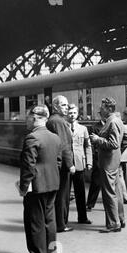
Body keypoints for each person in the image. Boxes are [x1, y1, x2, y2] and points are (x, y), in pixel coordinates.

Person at [18, 105, 62, 253]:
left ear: (35, 118)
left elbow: (28, 166)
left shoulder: (32, 138)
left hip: (36, 186)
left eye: (27, 117)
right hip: (53, 184)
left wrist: (23, 187)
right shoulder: (55, 137)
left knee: (34, 220)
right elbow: (58, 161)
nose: (26, 121)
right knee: (50, 220)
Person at [89, 98, 125, 232]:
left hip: (108, 162)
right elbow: (124, 139)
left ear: (109, 109)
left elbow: (114, 144)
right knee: (116, 192)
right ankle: (120, 219)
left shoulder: (112, 121)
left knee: (109, 194)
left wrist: (98, 139)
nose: (100, 110)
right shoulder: (117, 120)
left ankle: (113, 224)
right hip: (114, 161)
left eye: (102, 108)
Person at [46, 95, 75, 233]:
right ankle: (61, 224)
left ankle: (59, 222)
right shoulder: (59, 121)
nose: (67, 107)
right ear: (55, 106)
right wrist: (70, 164)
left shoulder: (53, 120)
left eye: (67, 105)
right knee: (62, 195)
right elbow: (64, 145)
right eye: (63, 105)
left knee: (59, 194)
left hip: (55, 163)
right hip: (62, 164)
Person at [67, 104, 92, 224]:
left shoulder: (83, 129)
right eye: (70, 112)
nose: (72, 115)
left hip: (79, 164)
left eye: (74, 113)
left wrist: (89, 162)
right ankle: (63, 219)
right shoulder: (63, 127)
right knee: (65, 194)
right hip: (66, 165)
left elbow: (88, 146)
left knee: (80, 193)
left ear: (77, 115)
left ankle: (82, 217)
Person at [86, 112, 105, 211]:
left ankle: (108, 205)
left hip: (108, 157)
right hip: (98, 156)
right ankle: (90, 203)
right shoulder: (95, 127)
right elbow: (92, 143)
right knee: (96, 181)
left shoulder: (112, 124)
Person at [115, 111, 127, 204]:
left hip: (118, 155)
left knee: (119, 176)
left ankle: (124, 196)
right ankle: (126, 195)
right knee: (124, 176)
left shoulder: (114, 126)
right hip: (126, 156)